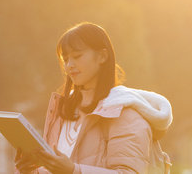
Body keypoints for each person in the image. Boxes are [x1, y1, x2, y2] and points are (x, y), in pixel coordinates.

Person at [15, 22, 173, 174]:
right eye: (66, 59)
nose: (69, 65)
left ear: (102, 56)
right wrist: (29, 171)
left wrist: (73, 171)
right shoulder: (64, 111)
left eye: (77, 56)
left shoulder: (125, 114)